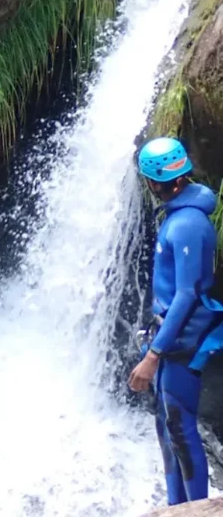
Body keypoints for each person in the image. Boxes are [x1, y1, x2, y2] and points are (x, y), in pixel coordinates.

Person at [129, 136, 223, 506]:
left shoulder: (187, 224)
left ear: (155, 182)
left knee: (181, 429)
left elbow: (187, 294)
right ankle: (176, 507)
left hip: (182, 340)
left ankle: (196, 509)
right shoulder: (178, 216)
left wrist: (153, 355)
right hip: (171, 334)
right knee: (168, 426)